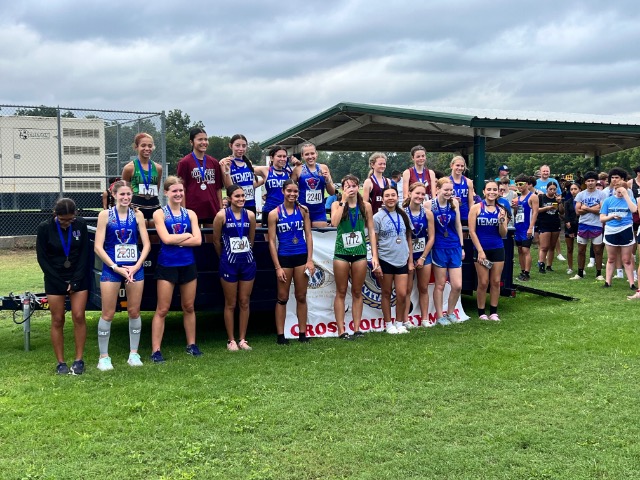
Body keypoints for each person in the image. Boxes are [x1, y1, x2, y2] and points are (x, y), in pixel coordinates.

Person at [93, 180, 151, 371]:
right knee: (108, 313)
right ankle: (104, 357)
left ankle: (134, 353)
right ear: (114, 195)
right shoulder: (105, 215)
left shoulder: (137, 214)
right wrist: (115, 267)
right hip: (112, 268)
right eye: (122, 194)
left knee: (134, 311)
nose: (126, 197)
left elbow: (146, 244)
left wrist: (136, 266)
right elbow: (98, 247)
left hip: (134, 268)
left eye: (128, 194)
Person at [150, 176, 203, 363]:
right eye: (174, 191)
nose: (178, 194)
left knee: (189, 306)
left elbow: (198, 240)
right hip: (167, 264)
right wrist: (187, 235)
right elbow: (165, 239)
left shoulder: (190, 214)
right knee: (162, 309)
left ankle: (191, 344)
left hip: (187, 264)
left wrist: (177, 239)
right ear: (166, 192)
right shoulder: (160, 214)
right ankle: (156, 350)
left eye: (181, 190)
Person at [36, 198, 90, 375]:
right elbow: (42, 258)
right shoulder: (45, 228)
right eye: (63, 220)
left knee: (79, 316)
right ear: (55, 215)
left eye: (70, 219)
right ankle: (61, 363)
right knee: (58, 319)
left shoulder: (80, 224)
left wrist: (75, 280)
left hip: (78, 277)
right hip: (55, 278)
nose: (67, 223)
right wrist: (60, 282)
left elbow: (84, 253)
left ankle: (79, 360)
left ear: (75, 215)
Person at [331, 175, 379, 339]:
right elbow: (334, 223)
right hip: (341, 253)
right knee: (341, 291)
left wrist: (374, 255)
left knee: (357, 292)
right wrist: (343, 202)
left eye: (354, 186)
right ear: (342, 189)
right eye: (347, 186)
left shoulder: (365, 206)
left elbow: (371, 230)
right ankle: (341, 330)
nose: (351, 189)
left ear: (358, 187)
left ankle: (357, 328)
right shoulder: (337, 204)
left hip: (360, 253)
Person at [267, 180, 315, 344]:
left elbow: (308, 235)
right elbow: (271, 241)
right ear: (283, 191)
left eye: (295, 191)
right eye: (289, 191)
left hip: (301, 256)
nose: (292, 194)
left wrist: (310, 260)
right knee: (282, 297)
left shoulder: (303, 210)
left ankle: (302, 333)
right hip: (284, 257)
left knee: (301, 296)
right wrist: (277, 267)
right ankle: (281, 335)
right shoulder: (274, 213)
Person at [213, 184, 257, 350]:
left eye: (243, 196)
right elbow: (216, 241)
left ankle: (242, 339)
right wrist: (225, 257)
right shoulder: (221, 215)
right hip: (228, 263)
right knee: (230, 303)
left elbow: (251, 239)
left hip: (247, 262)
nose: (241, 199)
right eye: (237, 196)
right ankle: (231, 340)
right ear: (229, 198)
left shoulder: (250, 215)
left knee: (244, 301)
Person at [373, 185, 413, 334]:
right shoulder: (377, 217)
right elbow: (374, 241)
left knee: (402, 294)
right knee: (386, 293)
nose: (390, 198)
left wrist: (410, 260)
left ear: (397, 197)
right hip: (385, 259)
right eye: (387, 195)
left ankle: (400, 323)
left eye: (393, 195)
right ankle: (388, 324)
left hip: (402, 259)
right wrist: (376, 261)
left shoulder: (404, 215)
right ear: (383, 199)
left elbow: (409, 239)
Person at [426, 177, 465, 325]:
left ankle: (450, 312)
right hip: (439, 247)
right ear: (437, 190)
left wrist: (462, 246)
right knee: (440, 284)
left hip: (454, 246)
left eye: (451, 190)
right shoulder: (429, 204)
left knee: (457, 285)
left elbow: (458, 225)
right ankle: (439, 315)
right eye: (446, 190)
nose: (449, 193)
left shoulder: (454, 203)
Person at [469, 181, 508, 321]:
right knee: (483, 282)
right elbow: (472, 232)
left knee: (496, 281)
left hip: (497, 248)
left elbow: (503, 234)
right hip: (481, 250)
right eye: (489, 189)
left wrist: (501, 221)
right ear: (484, 191)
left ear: (498, 192)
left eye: (494, 190)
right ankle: (481, 312)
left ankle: (493, 312)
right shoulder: (476, 208)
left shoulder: (502, 210)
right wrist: (480, 251)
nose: (492, 192)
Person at [403, 182, 435, 327]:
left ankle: (425, 319)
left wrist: (422, 257)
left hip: (424, 255)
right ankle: (405, 320)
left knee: (423, 288)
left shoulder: (428, 214)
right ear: (410, 193)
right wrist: (410, 260)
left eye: (423, 194)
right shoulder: (402, 212)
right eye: (417, 193)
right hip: (407, 255)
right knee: (407, 289)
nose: (420, 196)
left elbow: (432, 238)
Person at [177, 127, 224, 226]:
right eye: (200, 139)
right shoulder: (185, 162)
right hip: (192, 210)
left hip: (212, 209)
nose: (204, 142)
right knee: (195, 236)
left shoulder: (214, 162)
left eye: (206, 139)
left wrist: (220, 208)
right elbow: (182, 188)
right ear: (191, 142)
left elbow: (218, 188)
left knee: (212, 235)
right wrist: (183, 211)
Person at [600, 174, 637, 289]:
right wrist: (611, 217)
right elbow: (602, 218)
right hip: (611, 230)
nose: (620, 192)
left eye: (622, 190)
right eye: (618, 190)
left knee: (627, 259)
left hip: (625, 229)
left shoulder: (629, 199)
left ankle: (632, 283)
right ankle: (607, 282)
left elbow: (634, 210)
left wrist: (626, 195)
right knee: (611, 258)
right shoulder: (608, 201)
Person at [571, 171, 607, 281]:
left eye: (592, 180)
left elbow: (602, 210)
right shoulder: (581, 195)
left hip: (597, 225)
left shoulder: (602, 194)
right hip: (583, 225)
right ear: (585, 182)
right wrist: (594, 208)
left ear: (596, 181)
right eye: (588, 181)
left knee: (598, 250)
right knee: (581, 250)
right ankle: (580, 273)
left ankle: (599, 273)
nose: (590, 182)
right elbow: (578, 211)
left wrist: (586, 208)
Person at [121, 133, 162, 226]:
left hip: (154, 206)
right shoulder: (129, 168)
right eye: (143, 145)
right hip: (136, 208)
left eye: (150, 146)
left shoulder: (158, 168)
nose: (147, 148)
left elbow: (157, 188)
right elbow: (123, 191)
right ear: (136, 147)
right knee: (140, 233)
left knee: (154, 233)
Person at [290, 142, 335, 227]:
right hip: (302, 210)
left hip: (319, 212)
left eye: (312, 153)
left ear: (316, 154)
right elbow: (289, 189)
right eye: (307, 154)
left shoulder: (323, 168)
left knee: (320, 234)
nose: (310, 156)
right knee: (303, 234)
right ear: (302, 156)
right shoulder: (298, 169)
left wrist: (327, 180)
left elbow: (332, 192)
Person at [219, 134, 264, 215]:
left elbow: (249, 185)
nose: (241, 149)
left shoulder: (248, 163)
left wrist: (264, 179)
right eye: (237, 145)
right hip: (235, 206)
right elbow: (229, 187)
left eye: (244, 146)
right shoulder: (226, 163)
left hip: (251, 204)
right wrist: (227, 171)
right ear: (231, 146)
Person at [255, 145, 290, 227]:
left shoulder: (289, 172)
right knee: (268, 235)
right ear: (272, 158)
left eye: (284, 156)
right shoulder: (266, 170)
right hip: (269, 209)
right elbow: (248, 169)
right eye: (279, 156)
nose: (282, 159)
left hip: (284, 210)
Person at [512, 175, 539, 281]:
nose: (519, 186)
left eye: (521, 184)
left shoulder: (533, 197)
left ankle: (527, 273)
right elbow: (516, 213)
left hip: (527, 227)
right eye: (517, 184)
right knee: (520, 249)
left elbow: (535, 212)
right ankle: (522, 271)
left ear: (527, 184)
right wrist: (514, 208)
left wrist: (531, 227)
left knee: (525, 249)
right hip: (518, 227)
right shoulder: (517, 198)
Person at [536, 183, 563, 273]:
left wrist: (560, 202)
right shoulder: (541, 197)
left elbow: (562, 212)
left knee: (552, 246)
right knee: (544, 246)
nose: (552, 191)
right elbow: (537, 210)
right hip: (544, 223)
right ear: (547, 189)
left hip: (555, 223)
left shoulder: (557, 198)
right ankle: (541, 265)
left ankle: (549, 265)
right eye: (550, 189)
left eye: (554, 189)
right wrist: (548, 208)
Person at [449, 156, 475, 226]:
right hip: (451, 214)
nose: (460, 168)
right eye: (457, 165)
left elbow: (470, 202)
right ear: (451, 166)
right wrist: (452, 200)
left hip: (465, 215)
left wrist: (472, 216)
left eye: (462, 166)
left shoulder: (468, 182)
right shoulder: (446, 181)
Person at [564, 182, 580, 275]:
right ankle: (570, 267)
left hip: (580, 226)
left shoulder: (583, 201)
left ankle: (580, 267)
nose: (573, 191)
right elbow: (566, 216)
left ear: (579, 190)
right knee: (569, 248)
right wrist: (569, 229)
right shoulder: (567, 202)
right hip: (570, 226)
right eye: (571, 189)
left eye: (575, 189)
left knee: (581, 249)